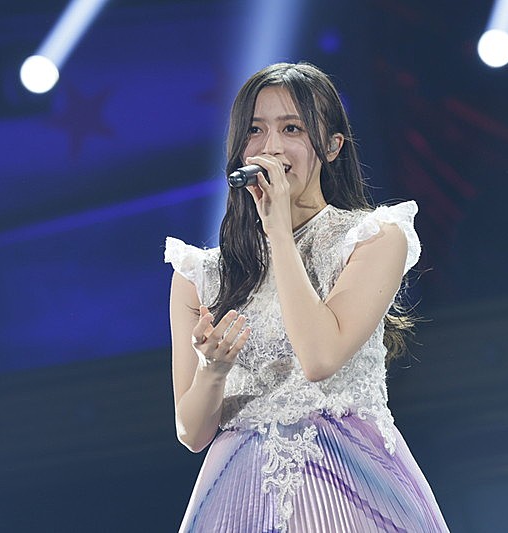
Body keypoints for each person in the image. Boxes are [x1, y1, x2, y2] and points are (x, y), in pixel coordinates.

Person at [165, 62, 449, 532]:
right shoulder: (200, 275)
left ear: (332, 146)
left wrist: (278, 229)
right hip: (241, 497)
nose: (271, 147)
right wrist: (213, 371)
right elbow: (192, 433)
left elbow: (320, 357)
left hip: (347, 484)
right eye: (255, 130)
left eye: (292, 129)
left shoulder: (373, 238)